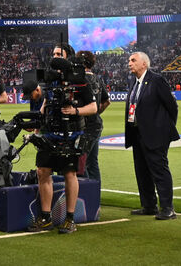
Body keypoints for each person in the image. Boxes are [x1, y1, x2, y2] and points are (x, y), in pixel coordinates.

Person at [27, 44, 97, 234]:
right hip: (49, 133)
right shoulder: (50, 80)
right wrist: (37, 126)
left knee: (69, 174)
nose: (55, 57)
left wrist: (75, 111)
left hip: (70, 134)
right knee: (42, 171)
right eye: (54, 54)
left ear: (68, 57)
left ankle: (70, 219)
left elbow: (93, 107)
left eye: (59, 54)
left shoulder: (80, 80)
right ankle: (46, 217)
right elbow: (45, 106)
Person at [124, 51, 180, 220]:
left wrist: (164, 128)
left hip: (156, 135)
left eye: (133, 60)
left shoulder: (156, 80)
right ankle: (149, 206)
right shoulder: (133, 81)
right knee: (142, 172)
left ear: (144, 64)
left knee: (159, 171)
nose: (129, 63)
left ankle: (168, 208)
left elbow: (172, 106)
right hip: (137, 134)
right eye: (129, 60)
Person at [76, 50, 110, 183]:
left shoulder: (80, 80)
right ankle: (95, 192)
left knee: (80, 163)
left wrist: (88, 111)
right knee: (92, 162)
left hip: (84, 128)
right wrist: (95, 112)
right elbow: (107, 101)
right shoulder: (97, 78)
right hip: (96, 125)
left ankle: (86, 192)